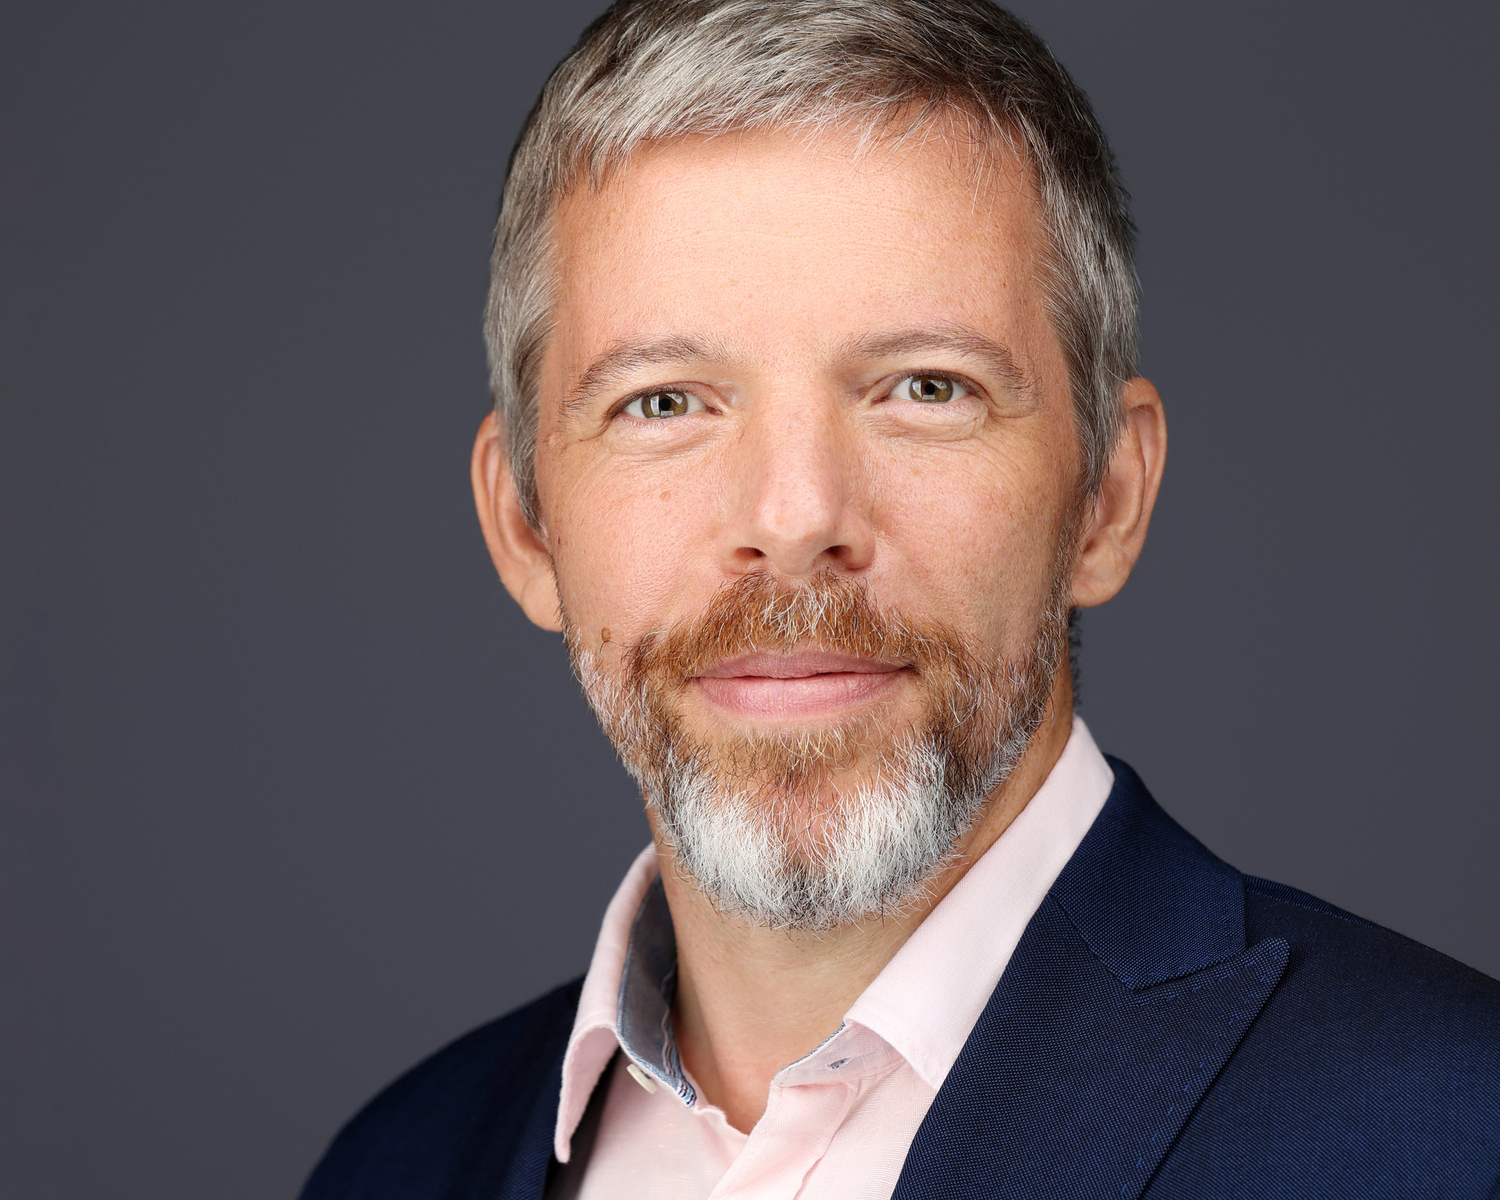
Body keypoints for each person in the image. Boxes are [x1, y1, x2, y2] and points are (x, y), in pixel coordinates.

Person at [299, 1, 1500, 1196]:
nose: (794, 519)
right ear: (525, 524)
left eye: (925, 387)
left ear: (1108, 498)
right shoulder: (395, 1166)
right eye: (664, 402)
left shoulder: (1454, 1132)